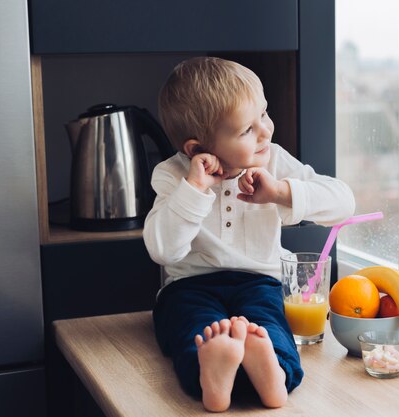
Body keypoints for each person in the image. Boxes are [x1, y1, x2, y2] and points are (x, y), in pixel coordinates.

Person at [143, 56, 355, 412]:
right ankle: (212, 370)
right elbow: (163, 250)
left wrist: (280, 193)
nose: (266, 131)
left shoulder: (272, 161)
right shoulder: (171, 175)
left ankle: (273, 375)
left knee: (269, 326)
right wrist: (194, 189)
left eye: (265, 114)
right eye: (247, 130)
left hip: (260, 282)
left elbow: (344, 202)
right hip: (189, 286)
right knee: (192, 328)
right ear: (197, 150)